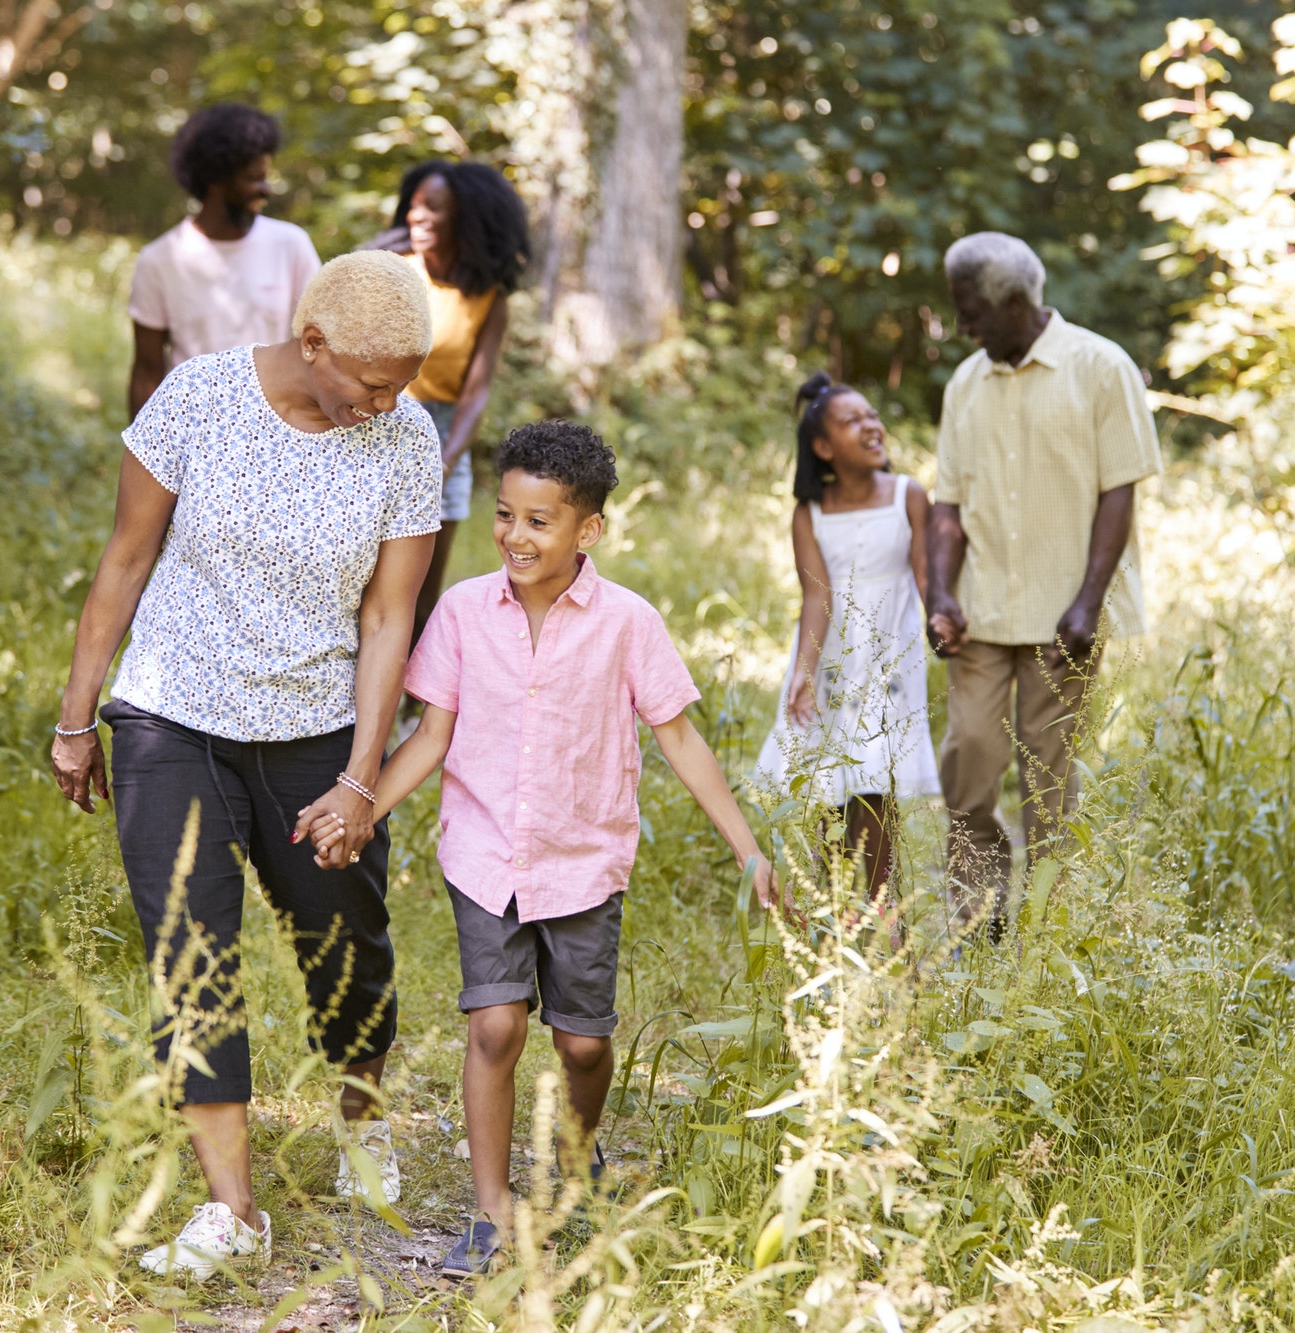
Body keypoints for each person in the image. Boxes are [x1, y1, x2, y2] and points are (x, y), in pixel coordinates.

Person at [298, 422, 778, 1277]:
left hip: (584, 859)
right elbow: (432, 735)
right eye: (506, 516)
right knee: (493, 1026)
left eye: (541, 521)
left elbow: (682, 742)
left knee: (583, 1044)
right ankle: (490, 1211)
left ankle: (579, 1152)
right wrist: (360, 800)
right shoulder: (462, 612)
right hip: (485, 854)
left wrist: (747, 850)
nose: (517, 536)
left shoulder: (628, 622)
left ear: (588, 528)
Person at [51, 252, 442, 1280]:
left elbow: (388, 613)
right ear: (311, 342)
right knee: (190, 952)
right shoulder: (198, 398)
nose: (386, 400)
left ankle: (362, 1118)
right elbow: (126, 558)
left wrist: (363, 777)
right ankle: (233, 1208)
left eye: (403, 379)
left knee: (346, 940)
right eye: (369, 379)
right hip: (171, 713)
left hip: (317, 732)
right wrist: (75, 715)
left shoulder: (405, 437)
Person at [926, 232, 1162, 939]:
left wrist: (1090, 600)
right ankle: (979, 919)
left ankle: (1049, 933)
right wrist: (940, 592)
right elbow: (949, 504)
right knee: (969, 758)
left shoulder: (1100, 367)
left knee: (1049, 781)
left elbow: (1118, 492)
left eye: (973, 313)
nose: (965, 328)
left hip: (1066, 618)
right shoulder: (967, 383)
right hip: (983, 612)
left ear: (1018, 302)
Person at [755, 373, 939, 913]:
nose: (871, 426)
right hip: (835, 661)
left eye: (872, 416)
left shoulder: (908, 495)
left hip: (890, 663)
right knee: (830, 782)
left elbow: (927, 580)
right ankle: (832, 912)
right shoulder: (809, 514)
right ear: (822, 446)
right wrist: (804, 673)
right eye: (852, 421)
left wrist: (945, 631)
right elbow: (818, 598)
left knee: (877, 783)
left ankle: (884, 913)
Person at [364, 161, 531, 641]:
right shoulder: (393, 272)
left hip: (444, 436)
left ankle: (417, 703)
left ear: (465, 218)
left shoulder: (488, 298)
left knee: (419, 588)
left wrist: (445, 459)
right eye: (413, 206)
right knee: (367, 579)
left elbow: (475, 392)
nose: (417, 216)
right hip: (381, 419)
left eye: (433, 207)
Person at [127, 102, 321, 417]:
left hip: (278, 427)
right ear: (215, 180)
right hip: (195, 430)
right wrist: (140, 454)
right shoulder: (159, 260)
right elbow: (147, 371)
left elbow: (321, 347)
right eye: (253, 179)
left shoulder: (291, 245)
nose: (265, 190)